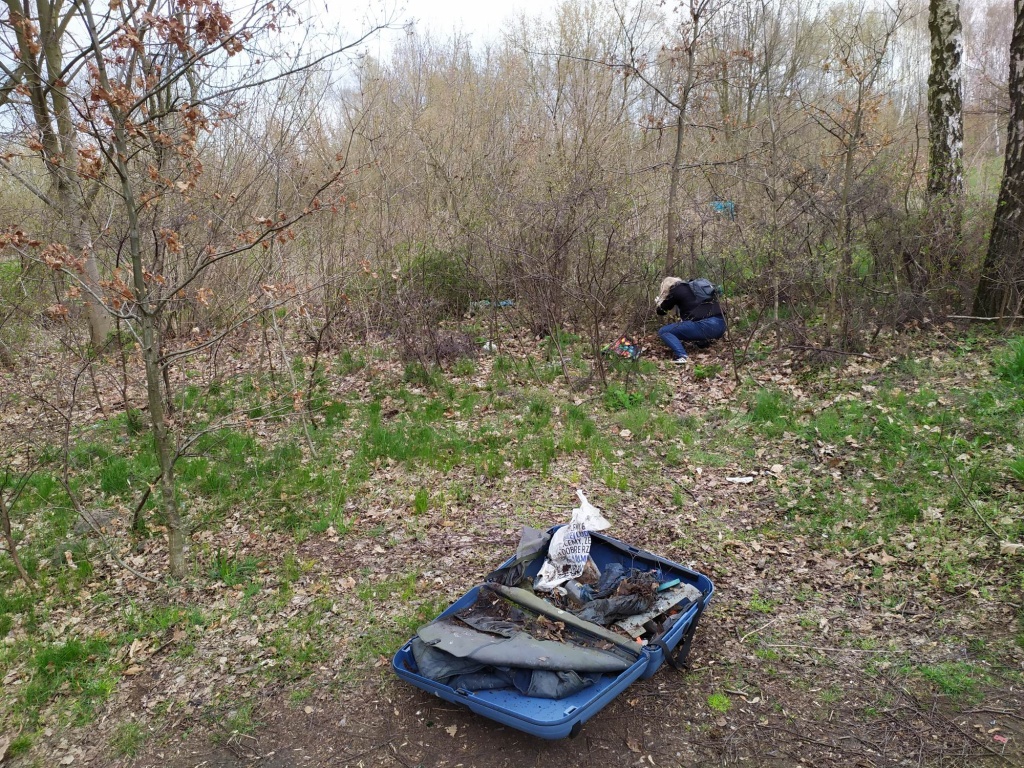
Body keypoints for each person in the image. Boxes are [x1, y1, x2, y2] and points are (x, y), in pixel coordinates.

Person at [655, 277, 726, 364]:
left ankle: (682, 356)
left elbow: (661, 311)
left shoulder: (675, 289)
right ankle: (703, 343)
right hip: (721, 325)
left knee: (664, 331)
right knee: (692, 323)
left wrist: (660, 302)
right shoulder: (694, 288)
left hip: (706, 326)